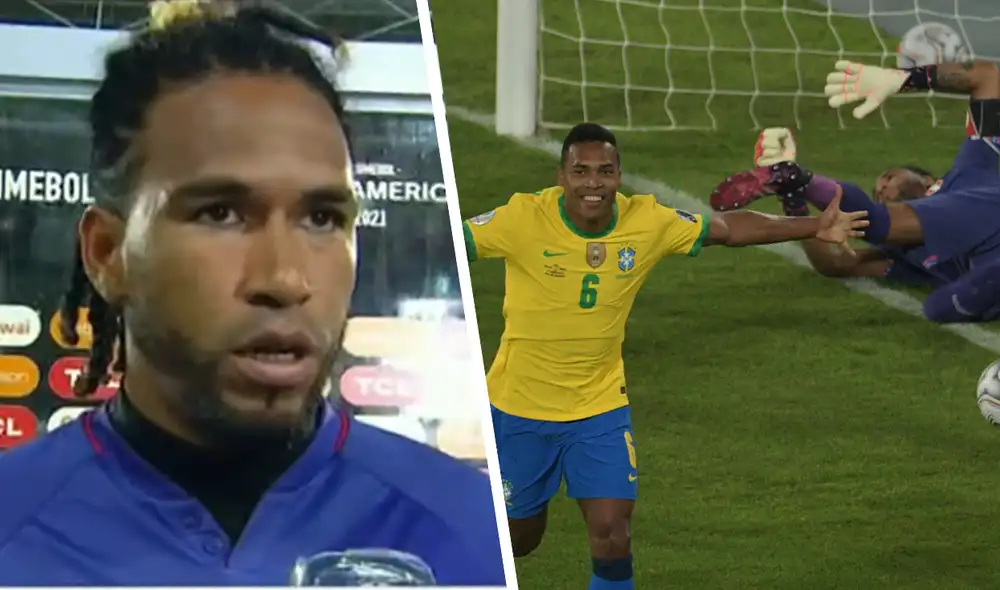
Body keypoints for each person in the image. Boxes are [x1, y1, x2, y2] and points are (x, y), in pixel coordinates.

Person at [0, 1, 505, 585]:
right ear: (108, 254)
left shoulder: (476, 533)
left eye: (322, 218)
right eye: (221, 213)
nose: (285, 279)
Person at [461, 121, 867, 590]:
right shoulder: (522, 219)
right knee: (518, 541)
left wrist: (816, 224)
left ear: (618, 176)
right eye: (581, 171)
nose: (593, 183)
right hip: (518, 408)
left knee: (612, 534)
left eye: (605, 171)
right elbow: (449, 241)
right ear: (561, 176)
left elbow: (729, 230)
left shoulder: (647, 221)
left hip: (599, 410)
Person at [712, 58, 1000, 323]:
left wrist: (902, 78)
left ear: (926, 179)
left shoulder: (973, 165)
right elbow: (835, 264)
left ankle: (799, 177)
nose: (883, 187)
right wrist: (791, 198)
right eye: (878, 192)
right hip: (985, 267)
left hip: (988, 211)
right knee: (937, 308)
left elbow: (986, 76)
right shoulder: (905, 252)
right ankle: (791, 180)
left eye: (890, 177)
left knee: (878, 222)